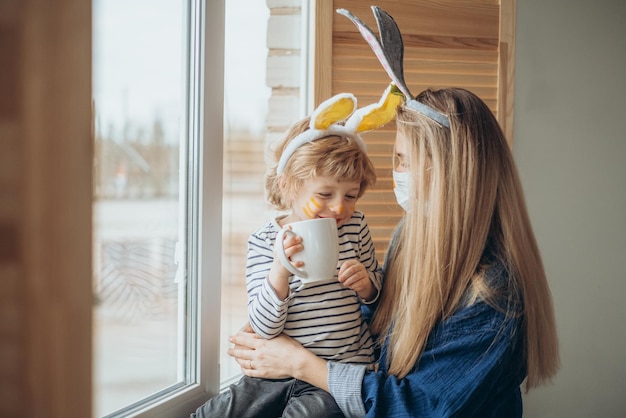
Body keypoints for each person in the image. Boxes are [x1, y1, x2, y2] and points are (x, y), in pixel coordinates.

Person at [229, 83, 560, 417]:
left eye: (407, 162)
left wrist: (300, 362)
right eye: (397, 159)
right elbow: (386, 327)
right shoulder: (411, 233)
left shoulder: (493, 289)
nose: (396, 175)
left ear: (452, 173)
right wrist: (296, 324)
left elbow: (416, 406)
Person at [190, 89, 403, 418]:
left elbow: (378, 296)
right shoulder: (264, 241)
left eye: (351, 195)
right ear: (289, 185)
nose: (339, 208)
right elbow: (264, 328)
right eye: (325, 194)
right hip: (275, 370)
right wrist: (279, 271)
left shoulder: (355, 225)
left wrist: (368, 285)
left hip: (336, 372)